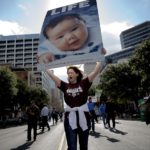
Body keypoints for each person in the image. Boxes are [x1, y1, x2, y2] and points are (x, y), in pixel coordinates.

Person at [45, 47, 106, 150]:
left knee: (83, 147)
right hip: (70, 119)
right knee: (72, 147)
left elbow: (96, 71)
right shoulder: (64, 85)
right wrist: (44, 65)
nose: (69, 74)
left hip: (84, 117)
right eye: (68, 73)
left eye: (71, 72)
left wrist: (101, 56)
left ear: (77, 74)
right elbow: (51, 75)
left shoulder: (84, 83)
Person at [37, 13, 103, 64]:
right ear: (51, 43)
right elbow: (41, 50)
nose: (70, 37)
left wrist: (102, 50)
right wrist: (44, 56)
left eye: (74, 29)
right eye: (60, 37)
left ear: (85, 24)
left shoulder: (95, 33)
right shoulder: (50, 48)